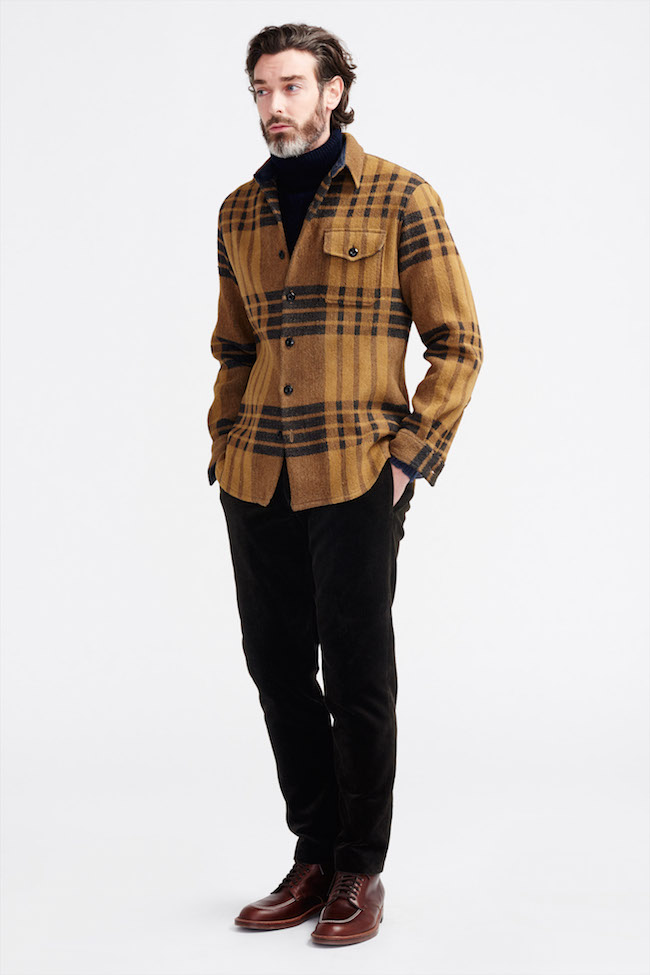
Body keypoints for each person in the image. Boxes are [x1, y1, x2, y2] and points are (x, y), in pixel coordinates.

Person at [206, 23, 484, 947]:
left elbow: (459, 344)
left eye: (290, 86)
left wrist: (408, 459)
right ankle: (314, 853)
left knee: (358, 671)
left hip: (358, 471)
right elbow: (234, 347)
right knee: (275, 665)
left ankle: (361, 867)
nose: (273, 106)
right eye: (260, 90)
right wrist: (222, 442)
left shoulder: (402, 197)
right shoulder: (239, 212)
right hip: (257, 474)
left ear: (332, 90)